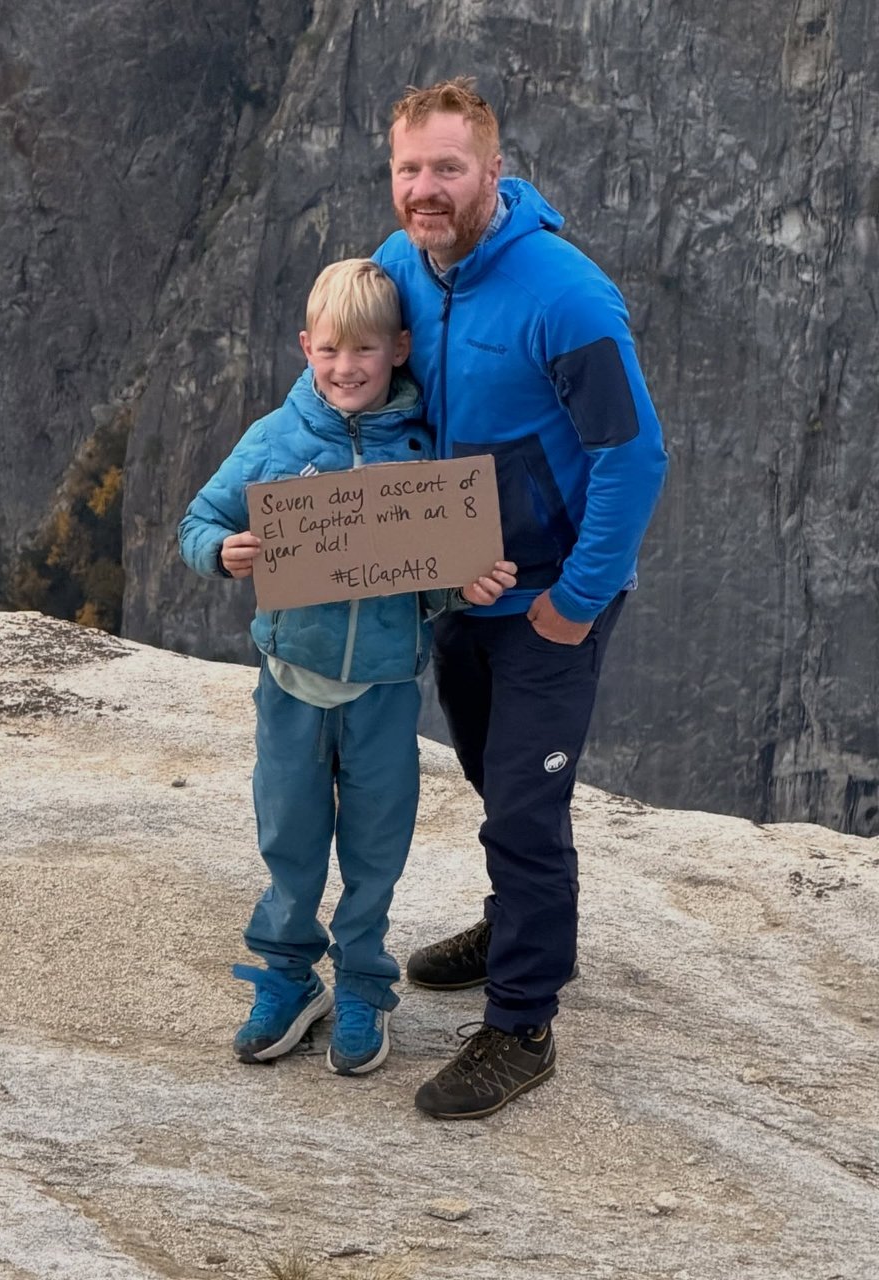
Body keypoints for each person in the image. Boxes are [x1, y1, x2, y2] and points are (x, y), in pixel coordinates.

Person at [372, 79, 669, 1118]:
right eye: (410, 169)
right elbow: (344, 372)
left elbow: (634, 457)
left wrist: (578, 598)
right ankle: (518, 924)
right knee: (494, 778)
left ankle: (522, 1021)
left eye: (448, 168)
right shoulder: (404, 268)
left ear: (492, 172)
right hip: (462, 589)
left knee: (529, 808)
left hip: (550, 599)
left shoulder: (564, 293)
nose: (426, 188)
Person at [178, 258, 516, 1078]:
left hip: (384, 692)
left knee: (375, 847)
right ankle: (290, 979)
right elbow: (199, 521)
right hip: (290, 680)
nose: (345, 366)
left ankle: (363, 983)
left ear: (399, 348)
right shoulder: (275, 439)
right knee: (290, 835)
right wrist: (223, 553)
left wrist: (464, 582)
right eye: (329, 349)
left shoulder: (424, 452)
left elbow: (432, 581)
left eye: (363, 348)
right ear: (305, 347)